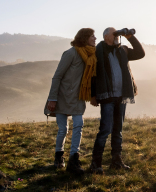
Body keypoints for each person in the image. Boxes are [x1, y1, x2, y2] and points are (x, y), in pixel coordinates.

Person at [88, 27, 145, 174]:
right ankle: (96, 163)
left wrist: (129, 37)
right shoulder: (98, 51)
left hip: (121, 96)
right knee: (105, 129)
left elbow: (140, 53)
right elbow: (92, 75)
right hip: (107, 96)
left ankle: (116, 161)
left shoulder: (123, 50)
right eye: (114, 34)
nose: (116, 36)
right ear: (106, 36)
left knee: (117, 130)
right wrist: (92, 95)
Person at [46, 27, 97, 175]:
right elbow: (57, 76)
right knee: (63, 129)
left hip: (78, 97)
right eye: (92, 36)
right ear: (84, 37)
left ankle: (74, 159)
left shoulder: (92, 56)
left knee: (79, 124)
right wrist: (52, 98)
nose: (95, 38)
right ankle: (59, 157)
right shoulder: (70, 53)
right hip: (62, 97)